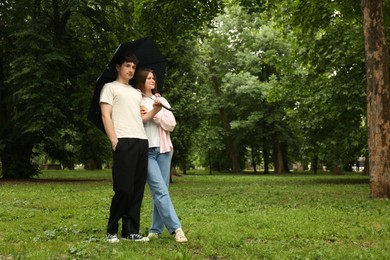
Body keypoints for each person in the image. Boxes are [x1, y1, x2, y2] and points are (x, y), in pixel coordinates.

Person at [100, 54, 162, 243]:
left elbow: (140, 119)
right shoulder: (109, 88)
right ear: (118, 67)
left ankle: (131, 231)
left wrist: (155, 111)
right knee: (124, 189)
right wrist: (113, 140)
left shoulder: (136, 93)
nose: (131, 70)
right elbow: (106, 116)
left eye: (134, 67)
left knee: (137, 190)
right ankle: (112, 230)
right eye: (127, 66)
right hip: (123, 141)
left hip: (141, 141)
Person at [135, 68, 188, 243]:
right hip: (146, 151)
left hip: (164, 150)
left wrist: (156, 114)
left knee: (162, 190)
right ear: (141, 81)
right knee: (159, 189)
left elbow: (172, 124)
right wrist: (141, 115)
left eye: (153, 78)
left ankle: (156, 229)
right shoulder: (135, 100)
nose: (152, 80)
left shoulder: (160, 99)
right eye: (148, 78)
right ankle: (176, 228)